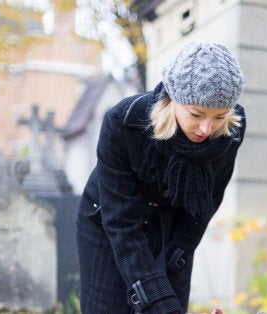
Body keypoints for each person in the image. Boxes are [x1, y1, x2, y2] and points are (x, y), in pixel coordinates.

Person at [76, 41, 246, 313]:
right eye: (196, 114)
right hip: (110, 222)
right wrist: (155, 295)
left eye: (219, 116)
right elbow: (121, 222)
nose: (206, 128)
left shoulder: (230, 132)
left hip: (173, 222)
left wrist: (178, 253)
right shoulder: (123, 122)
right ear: (173, 98)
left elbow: (207, 202)